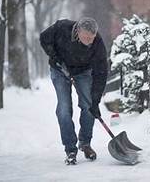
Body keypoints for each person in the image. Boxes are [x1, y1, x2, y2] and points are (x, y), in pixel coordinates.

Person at [40, 17, 108, 165]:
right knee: (64, 109)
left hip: (83, 71)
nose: (90, 41)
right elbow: (44, 38)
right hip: (60, 70)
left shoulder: (97, 43)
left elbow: (101, 73)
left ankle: (85, 143)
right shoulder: (62, 27)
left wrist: (95, 101)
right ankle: (70, 149)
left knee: (88, 106)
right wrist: (55, 57)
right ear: (78, 32)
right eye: (86, 37)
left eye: (92, 37)